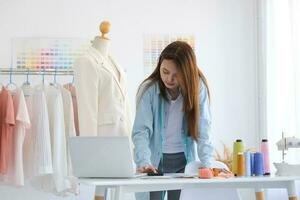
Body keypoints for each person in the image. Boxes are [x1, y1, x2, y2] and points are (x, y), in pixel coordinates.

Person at [132, 41, 213, 200]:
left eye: (176, 75)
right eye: (165, 71)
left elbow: (204, 128)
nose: (169, 79)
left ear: (187, 73)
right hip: (154, 162)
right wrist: (144, 162)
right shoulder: (149, 90)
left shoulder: (198, 88)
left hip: (184, 162)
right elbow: (141, 131)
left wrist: (207, 164)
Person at [74, 21, 132, 200]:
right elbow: (87, 110)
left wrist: (131, 141)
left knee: (116, 192)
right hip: (102, 139)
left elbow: (125, 105)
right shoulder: (86, 61)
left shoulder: (115, 62)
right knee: (100, 193)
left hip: (121, 139)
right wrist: (90, 154)